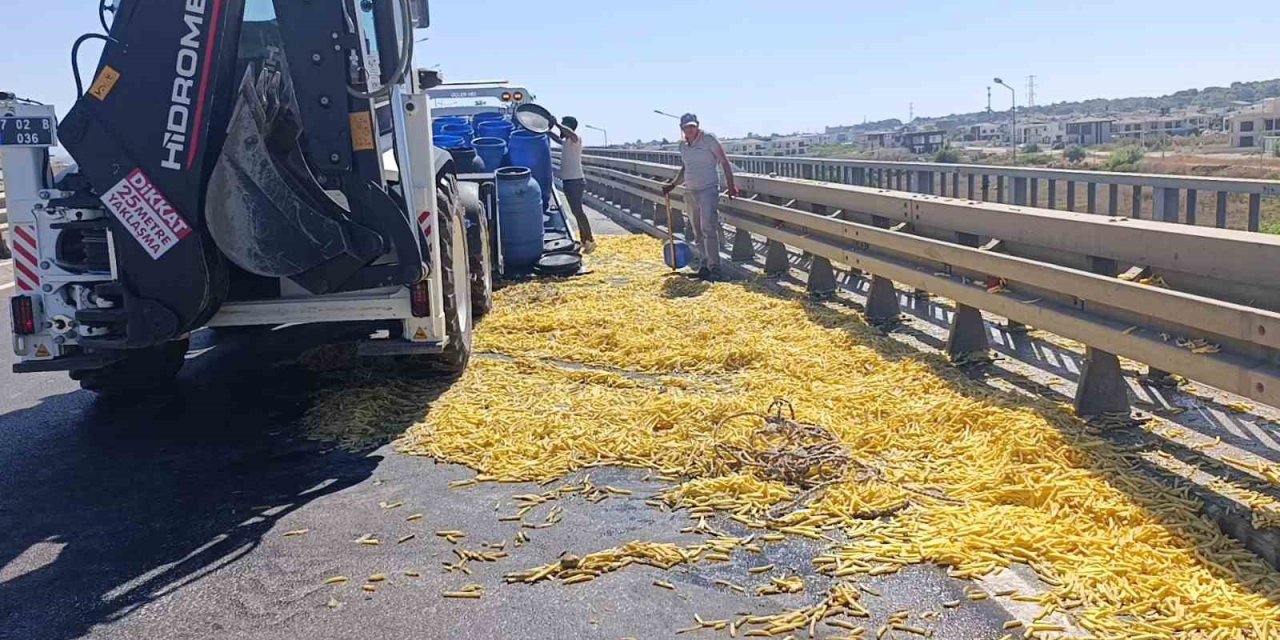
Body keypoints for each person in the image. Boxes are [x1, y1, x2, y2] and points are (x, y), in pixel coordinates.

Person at [662, 113, 738, 279]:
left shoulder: (708, 139)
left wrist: (731, 185)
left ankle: (715, 267)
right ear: (682, 128)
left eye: (693, 126)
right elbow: (686, 167)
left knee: (708, 228)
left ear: (697, 125)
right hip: (690, 191)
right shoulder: (682, 146)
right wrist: (673, 184)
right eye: (687, 127)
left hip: (708, 189)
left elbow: (724, 162)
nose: (690, 129)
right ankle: (704, 265)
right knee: (696, 231)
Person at [549, 116, 595, 253]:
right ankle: (584, 239)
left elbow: (571, 134)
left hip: (575, 181)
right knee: (576, 211)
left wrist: (556, 123)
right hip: (568, 181)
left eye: (564, 126)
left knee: (578, 211)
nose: (562, 129)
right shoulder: (566, 142)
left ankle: (589, 239)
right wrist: (545, 130)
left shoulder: (576, 139)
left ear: (569, 127)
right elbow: (555, 138)